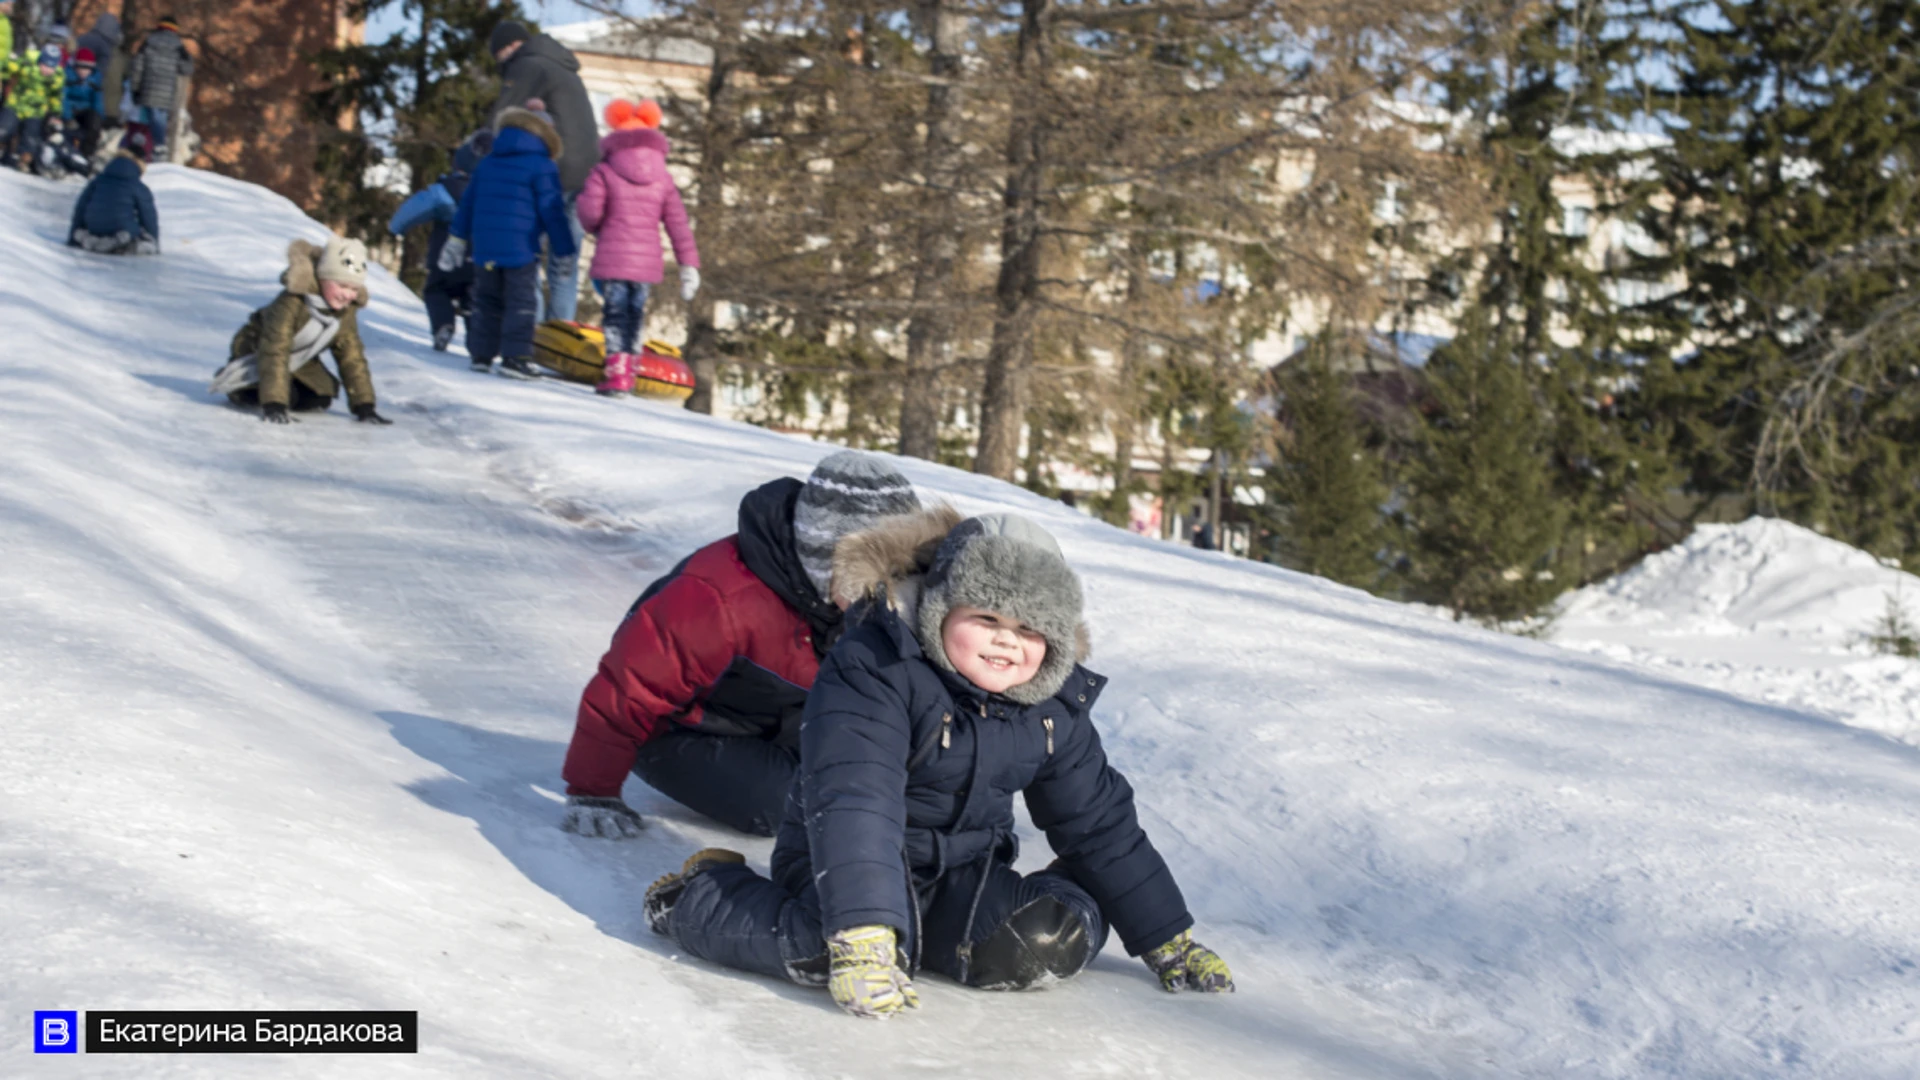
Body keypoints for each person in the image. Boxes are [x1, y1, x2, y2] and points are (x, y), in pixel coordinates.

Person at [642, 509, 1235, 1017]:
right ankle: (697, 894)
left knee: (1046, 940)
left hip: (962, 873)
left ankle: (1045, 909)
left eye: (1029, 629)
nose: (1007, 641)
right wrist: (864, 934)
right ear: (939, 610)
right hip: (839, 857)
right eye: (987, 618)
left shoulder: (1051, 706)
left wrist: (1169, 940)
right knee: (826, 948)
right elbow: (855, 802)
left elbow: (1100, 823)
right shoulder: (876, 671)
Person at [561, 451, 923, 839]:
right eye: (871, 579)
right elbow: (630, 689)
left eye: (897, 575)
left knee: (894, 784)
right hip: (683, 733)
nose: (887, 593)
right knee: (791, 802)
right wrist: (593, 791)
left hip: (782, 721)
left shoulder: (866, 604)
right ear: (825, 561)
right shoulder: (720, 597)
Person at [577, 98, 701, 396]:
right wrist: (689, 266)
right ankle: (630, 371)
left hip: (614, 257)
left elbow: (589, 211)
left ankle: (616, 373)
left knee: (615, 314)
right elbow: (678, 225)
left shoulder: (604, 171)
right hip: (646, 263)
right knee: (635, 312)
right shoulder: (663, 178)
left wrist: (596, 227)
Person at [440, 106, 574, 378]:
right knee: (520, 302)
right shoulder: (543, 165)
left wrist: (456, 238)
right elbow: (552, 211)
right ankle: (515, 357)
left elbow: (468, 204)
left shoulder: (488, 161)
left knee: (487, 299)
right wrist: (565, 250)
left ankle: (481, 355)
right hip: (520, 248)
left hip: (485, 246)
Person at [208, 236, 392, 425]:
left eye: (354, 288)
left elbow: (352, 358)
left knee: (319, 397)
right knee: (284, 396)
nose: (347, 295)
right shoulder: (291, 302)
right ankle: (238, 387)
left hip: (299, 358)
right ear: (322, 279)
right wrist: (274, 403)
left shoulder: (345, 312)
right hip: (257, 351)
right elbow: (275, 349)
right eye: (342, 285)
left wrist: (365, 407)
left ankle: (283, 387)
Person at [487, 20, 594, 323]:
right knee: (564, 262)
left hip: (549, 173)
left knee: (527, 257)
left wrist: (477, 156)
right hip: (584, 176)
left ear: (507, 48)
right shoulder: (563, 68)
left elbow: (500, 118)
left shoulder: (527, 66)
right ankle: (560, 335)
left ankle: (529, 334)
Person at [389, 129, 489, 351]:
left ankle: (443, 324)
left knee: (436, 291)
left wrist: (396, 227)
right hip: (479, 260)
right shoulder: (493, 194)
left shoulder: (443, 191)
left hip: (445, 258)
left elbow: (413, 210)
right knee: (474, 298)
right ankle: (477, 343)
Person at [68, 146, 157, 253]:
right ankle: (123, 244)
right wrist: (153, 241)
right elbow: (148, 215)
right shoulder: (137, 186)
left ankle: (91, 240)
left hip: (94, 228)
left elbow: (81, 208)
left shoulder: (98, 180)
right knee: (134, 230)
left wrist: (72, 238)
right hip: (122, 230)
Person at [127, 14, 190, 159]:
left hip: (147, 90)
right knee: (159, 120)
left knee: (145, 121)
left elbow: (137, 67)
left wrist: (135, 89)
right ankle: (158, 148)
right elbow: (187, 69)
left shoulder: (148, 43)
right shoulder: (178, 47)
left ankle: (143, 151)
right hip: (167, 93)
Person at [0, 47, 62, 171]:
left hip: (36, 111)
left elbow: (55, 95)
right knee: (4, 128)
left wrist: (55, 112)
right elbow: (9, 67)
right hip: (16, 103)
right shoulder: (27, 65)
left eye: (51, 67)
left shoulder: (56, 78)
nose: (47, 70)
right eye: (45, 65)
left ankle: (24, 160)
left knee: (31, 136)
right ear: (40, 62)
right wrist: (11, 63)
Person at [60, 46, 103, 161]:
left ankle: (86, 154)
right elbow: (63, 97)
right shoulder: (68, 76)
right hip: (70, 110)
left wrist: (99, 118)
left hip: (85, 111)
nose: (84, 71)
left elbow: (97, 101)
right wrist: (67, 116)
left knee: (93, 122)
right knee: (67, 129)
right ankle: (66, 151)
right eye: (81, 68)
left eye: (87, 69)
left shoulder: (94, 80)